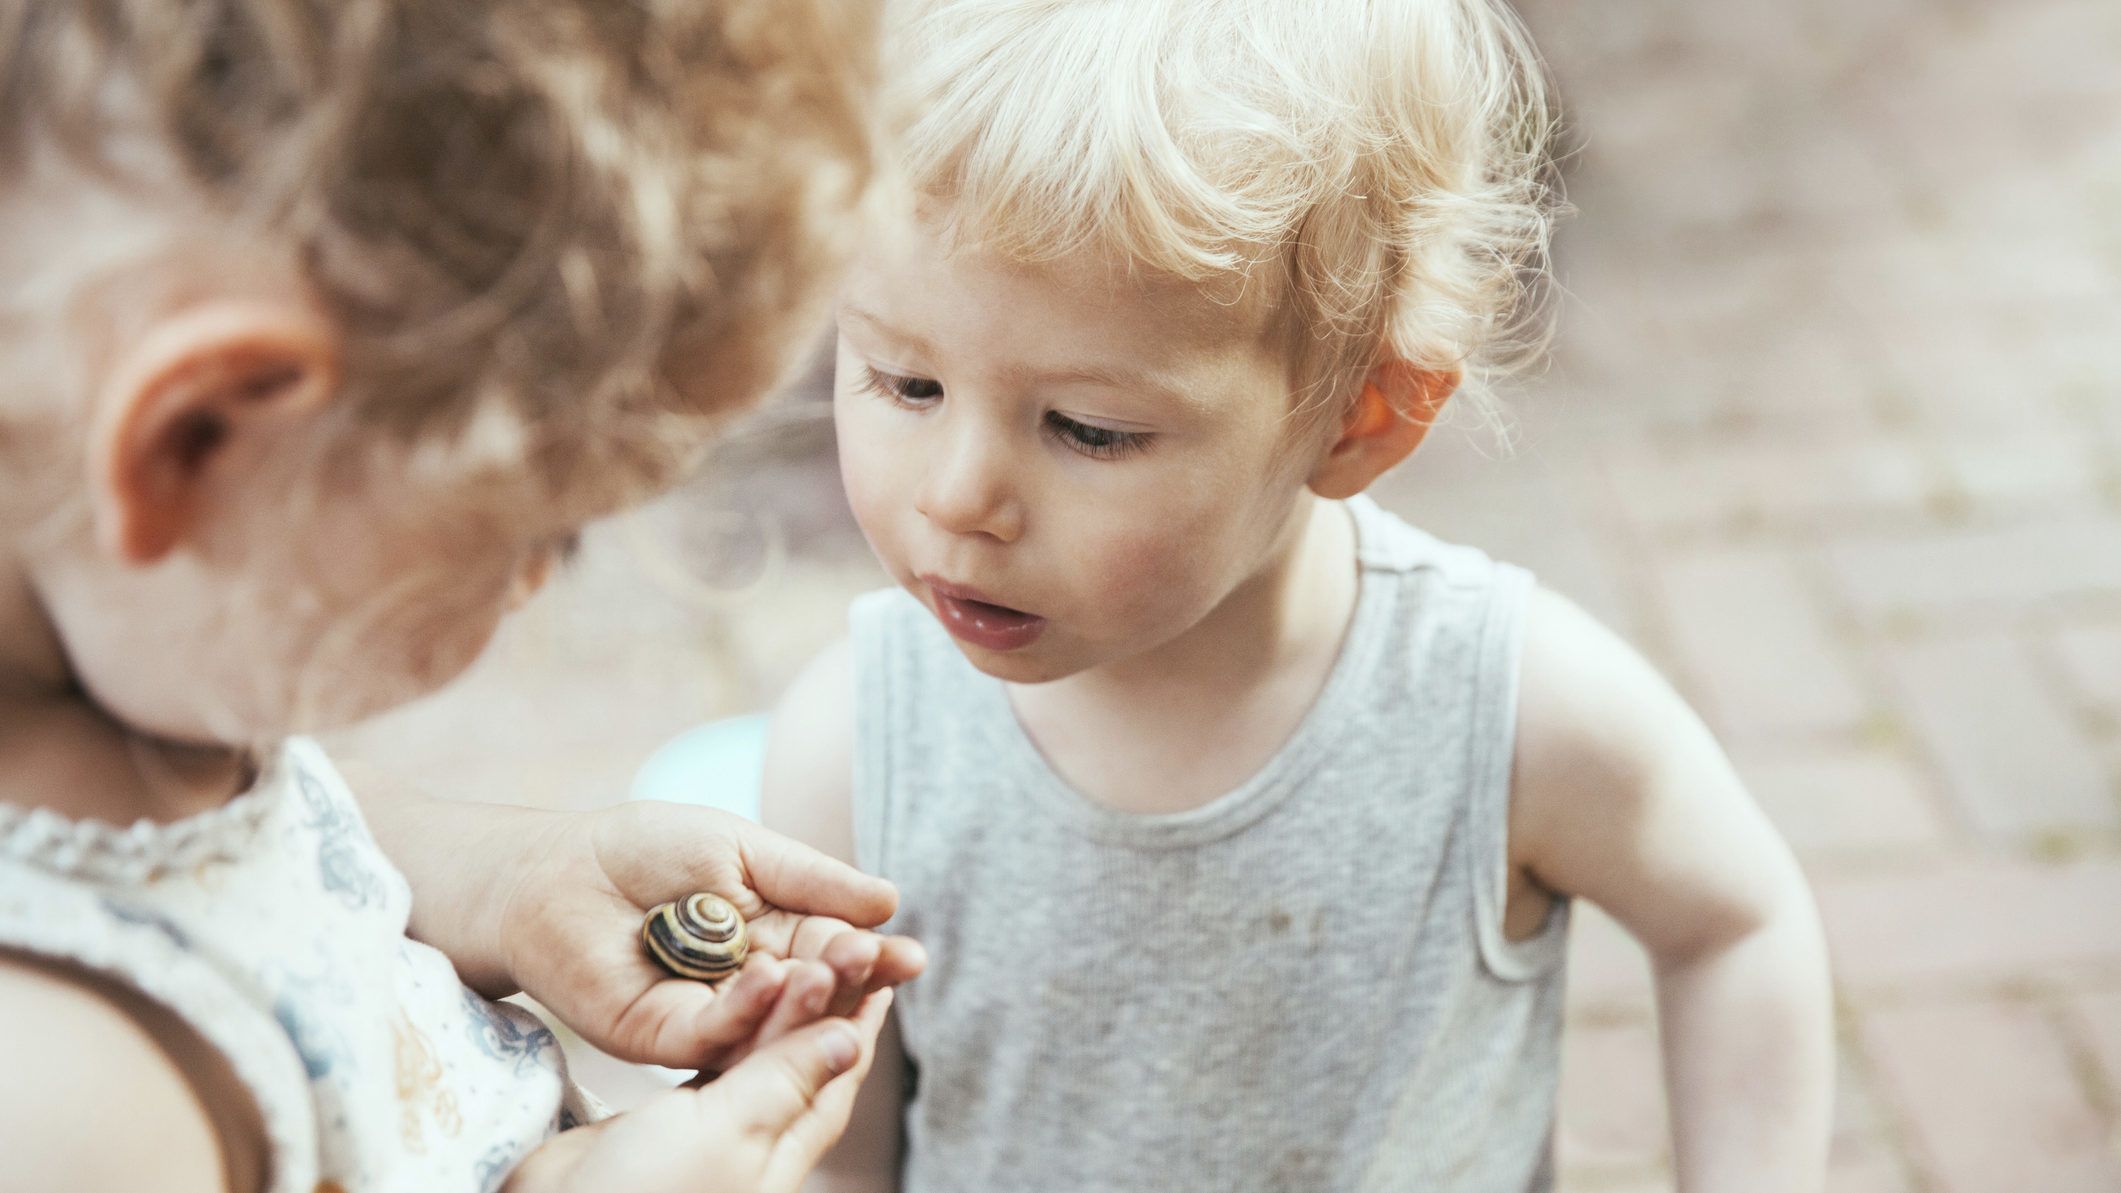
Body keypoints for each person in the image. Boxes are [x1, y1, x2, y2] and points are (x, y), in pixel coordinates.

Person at [760, 1, 1835, 1189]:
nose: (959, 497)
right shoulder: (859, 750)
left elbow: (1736, 926)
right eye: (904, 382)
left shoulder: (1507, 713)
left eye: (1088, 427)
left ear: (1358, 420)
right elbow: (840, 1162)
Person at [0, 2, 924, 1191]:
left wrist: (505, 878)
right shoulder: (73, 1103)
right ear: (196, 439)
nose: (536, 583)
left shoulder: (141, 653)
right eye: (543, 531)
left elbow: (262, 847)